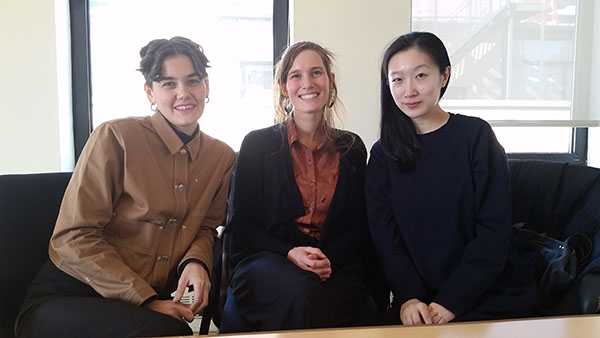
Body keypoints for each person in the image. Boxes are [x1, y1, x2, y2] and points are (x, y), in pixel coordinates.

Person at [14, 36, 236, 337]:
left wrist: (196, 262)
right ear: (150, 92)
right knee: (170, 333)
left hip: (143, 305)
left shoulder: (221, 157)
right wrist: (145, 300)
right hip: (70, 294)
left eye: (192, 81)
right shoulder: (115, 137)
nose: (183, 93)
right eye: (168, 83)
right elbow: (73, 237)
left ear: (206, 86)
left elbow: (206, 229)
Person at [366, 31, 536, 325]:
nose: (409, 90)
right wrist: (409, 297)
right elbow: (386, 237)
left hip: (487, 291)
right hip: (419, 299)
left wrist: (453, 300)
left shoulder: (475, 136)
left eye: (420, 75)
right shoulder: (383, 153)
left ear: (444, 76)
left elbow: (494, 228)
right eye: (397, 79)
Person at [220, 41, 384, 332]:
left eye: (316, 73)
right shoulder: (257, 144)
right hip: (266, 262)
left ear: (330, 82)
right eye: (295, 75)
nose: (307, 83)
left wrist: (325, 259)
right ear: (284, 87)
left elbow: (360, 225)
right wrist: (290, 253)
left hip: (332, 263)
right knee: (303, 292)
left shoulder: (352, 148)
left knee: (357, 302)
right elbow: (242, 227)